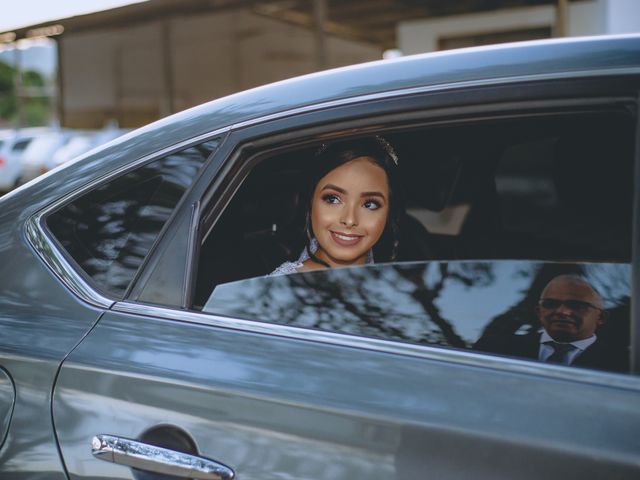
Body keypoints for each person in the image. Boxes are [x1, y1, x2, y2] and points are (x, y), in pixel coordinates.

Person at [270, 136, 403, 275]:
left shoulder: (405, 287)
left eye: (369, 204)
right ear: (311, 201)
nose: (350, 220)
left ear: (389, 211)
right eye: (332, 199)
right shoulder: (275, 290)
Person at [474, 274, 628, 373]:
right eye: (550, 304)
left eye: (576, 306)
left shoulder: (625, 365)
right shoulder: (496, 349)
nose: (562, 311)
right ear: (539, 312)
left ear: (601, 317)